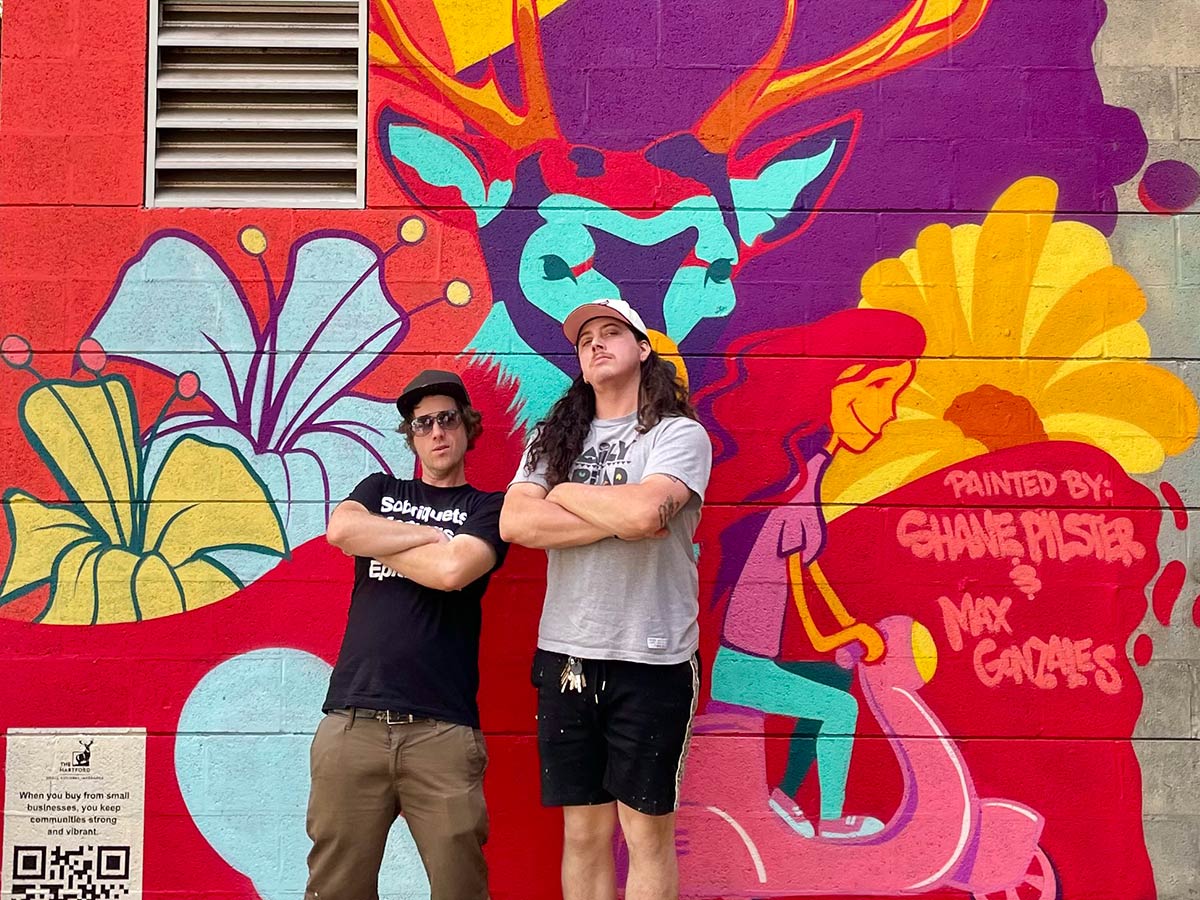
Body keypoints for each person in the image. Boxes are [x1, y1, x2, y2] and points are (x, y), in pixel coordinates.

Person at [500, 298, 712, 900]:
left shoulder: (678, 435)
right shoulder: (552, 436)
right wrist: (618, 513)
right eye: (584, 337)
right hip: (567, 654)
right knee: (584, 833)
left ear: (643, 348)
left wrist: (563, 492)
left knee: (644, 835)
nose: (595, 343)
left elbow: (649, 512)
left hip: (654, 660)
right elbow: (517, 523)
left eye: (611, 331)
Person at [694, 309, 924, 840]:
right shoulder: (793, 500)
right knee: (839, 706)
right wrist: (845, 633)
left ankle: (785, 794)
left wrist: (853, 628)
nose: (890, 412)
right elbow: (812, 622)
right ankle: (829, 818)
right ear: (840, 386)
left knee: (835, 677)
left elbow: (814, 579)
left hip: (754, 659)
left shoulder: (806, 477)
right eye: (883, 387)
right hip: (739, 666)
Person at [305, 369, 508, 900]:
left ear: (466, 427)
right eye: (422, 424)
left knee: (460, 888)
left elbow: (451, 573)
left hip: (441, 732)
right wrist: (429, 536)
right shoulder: (380, 488)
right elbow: (342, 530)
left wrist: (383, 540)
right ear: (411, 436)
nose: (436, 431)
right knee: (336, 890)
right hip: (353, 723)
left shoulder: (488, 508)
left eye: (446, 419)